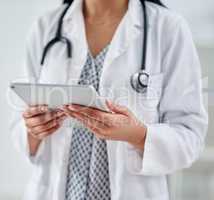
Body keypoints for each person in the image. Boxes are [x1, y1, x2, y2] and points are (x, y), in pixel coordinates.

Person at [11, 0, 208, 199]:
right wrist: (34, 129)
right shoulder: (46, 26)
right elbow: (18, 128)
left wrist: (139, 135)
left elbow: (190, 138)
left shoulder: (168, 28)